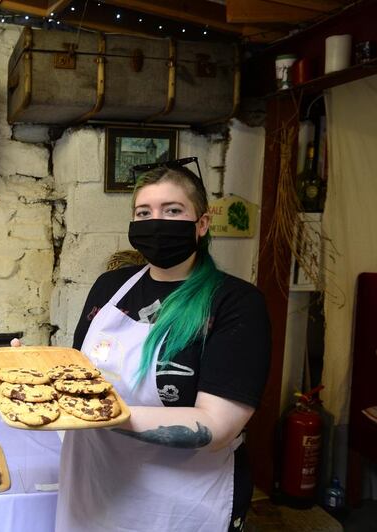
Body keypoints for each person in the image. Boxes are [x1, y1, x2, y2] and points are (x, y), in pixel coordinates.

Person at [19, 160, 271, 531]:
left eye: (173, 210)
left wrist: (98, 415)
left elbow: (216, 427)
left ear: (201, 224)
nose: (157, 222)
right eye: (144, 212)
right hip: (95, 484)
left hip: (178, 502)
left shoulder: (234, 302)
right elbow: (80, 372)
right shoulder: (110, 287)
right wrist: (34, 370)